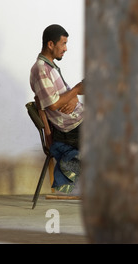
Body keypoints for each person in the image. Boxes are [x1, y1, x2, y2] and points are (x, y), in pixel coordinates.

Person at [30, 24, 84, 193]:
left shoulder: (50, 67)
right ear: (50, 44)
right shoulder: (41, 69)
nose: (66, 49)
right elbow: (53, 104)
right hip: (72, 129)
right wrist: (76, 90)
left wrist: (73, 97)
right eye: (63, 44)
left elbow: (62, 97)